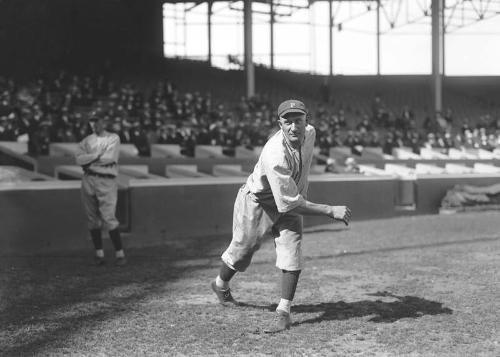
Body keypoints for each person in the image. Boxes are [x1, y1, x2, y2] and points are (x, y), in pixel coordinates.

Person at [210, 99, 351, 333]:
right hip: (259, 201)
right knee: (242, 251)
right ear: (280, 124)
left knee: (292, 250)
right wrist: (329, 210)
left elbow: (292, 200)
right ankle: (220, 284)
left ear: (307, 121)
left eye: (299, 120)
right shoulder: (274, 154)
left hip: (292, 199)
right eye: (288, 121)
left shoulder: (311, 134)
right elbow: (288, 204)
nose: (294, 126)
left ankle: (284, 310)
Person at [75, 111, 126, 266]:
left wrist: (89, 159)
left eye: (97, 120)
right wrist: (96, 156)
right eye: (91, 121)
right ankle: (99, 254)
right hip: (88, 178)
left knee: (108, 217)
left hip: (106, 180)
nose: (94, 124)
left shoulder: (113, 138)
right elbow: (78, 160)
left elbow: (109, 158)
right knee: (92, 218)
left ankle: (120, 254)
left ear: (104, 122)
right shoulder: (86, 140)